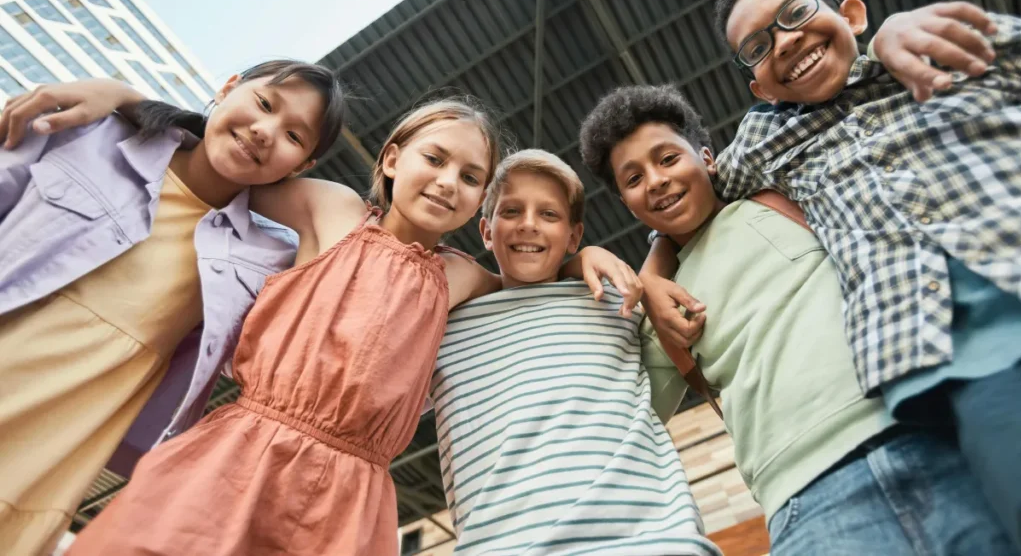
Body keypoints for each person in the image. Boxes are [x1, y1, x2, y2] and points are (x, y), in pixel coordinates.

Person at [27, 86, 636, 556]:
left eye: (471, 177)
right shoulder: (335, 211)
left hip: (352, 495)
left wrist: (585, 253)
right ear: (393, 158)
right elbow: (228, 163)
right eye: (435, 159)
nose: (449, 182)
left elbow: (533, 274)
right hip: (240, 453)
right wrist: (128, 99)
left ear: (480, 203)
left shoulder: (460, 277)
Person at [579, 85, 1016, 555]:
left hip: (925, 432)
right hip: (804, 500)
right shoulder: (660, 309)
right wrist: (580, 259)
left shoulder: (791, 195)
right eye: (634, 178)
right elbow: (622, 416)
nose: (657, 181)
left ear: (708, 158)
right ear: (626, 202)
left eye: (667, 159)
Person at [711, 0, 1021, 551]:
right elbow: (679, 194)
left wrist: (890, 35)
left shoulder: (935, 44)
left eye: (797, 13)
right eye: (758, 45)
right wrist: (645, 274)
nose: (786, 39)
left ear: (850, 14)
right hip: (968, 355)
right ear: (760, 88)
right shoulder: (764, 147)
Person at [0, 60, 346, 556]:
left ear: (302, 168)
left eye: (294, 137)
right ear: (228, 87)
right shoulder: (89, 133)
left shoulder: (266, 261)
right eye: (265, 104)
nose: (265, 131)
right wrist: (122, 97)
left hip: (51, 463)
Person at [429, 149, 720, 555]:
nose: (529, 225)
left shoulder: (616, 296)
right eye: (511, 211)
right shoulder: (442, 326)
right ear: (486, 230)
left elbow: (681, 237)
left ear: (574, 235)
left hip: (652, 541)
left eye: (549, 215)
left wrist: (605, 264)